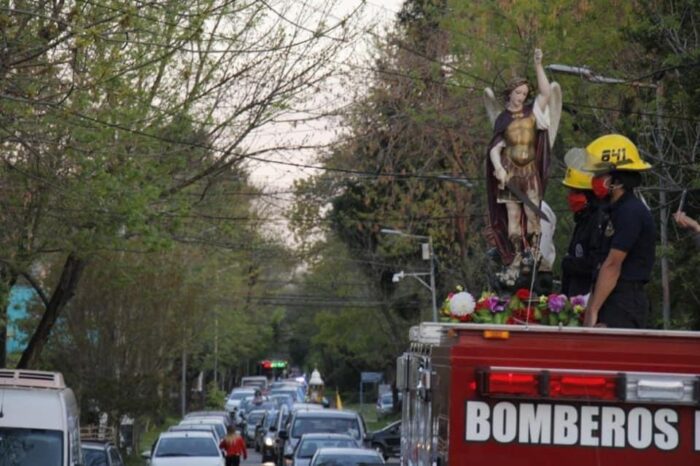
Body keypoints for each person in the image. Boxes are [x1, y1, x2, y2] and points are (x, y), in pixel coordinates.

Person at [486, 48, 552, 270]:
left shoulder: (533, 113)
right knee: (513, 220)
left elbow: (546, 93)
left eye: (524, 93)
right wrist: (498, 168)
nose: (521, 97)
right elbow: (495, 147)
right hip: (510, 171)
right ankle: (515, 256)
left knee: (532, 217)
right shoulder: (502, 119)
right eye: (518, 93)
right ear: (510, 93)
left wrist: (538, 65)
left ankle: (533, 255)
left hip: (530, 171)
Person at [582, 134, 655, 328]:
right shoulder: (611, 211)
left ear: (618, 180)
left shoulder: (631, 212)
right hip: (610, 296)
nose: (595, 180)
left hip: (623, 303)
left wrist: (593, 310)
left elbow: (613, 265)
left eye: (600, 175)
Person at [560, 166, 604, 296]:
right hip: (576, 295)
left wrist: (569, 264)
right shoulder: (584, 219)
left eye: (575, 192)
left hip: (588, 296)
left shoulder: (598, 220)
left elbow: (595, 262)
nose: (571, 197)